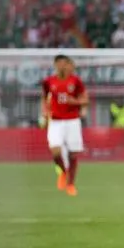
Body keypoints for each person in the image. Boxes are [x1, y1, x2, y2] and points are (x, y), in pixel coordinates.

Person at [41, 54, 88, 196]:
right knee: (55, 151)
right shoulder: (49, 81)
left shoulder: (76, 81)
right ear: (55, 65)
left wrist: (77, 103)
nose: (62, 66)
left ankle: (71, 184)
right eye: (59, 63)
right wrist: (44, 111)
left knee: (73, 155)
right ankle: (63, 171)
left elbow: (85, 99)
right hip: (55, 121)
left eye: (65, 63)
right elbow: (44, 97)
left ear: (68, 65)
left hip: (72, 121)